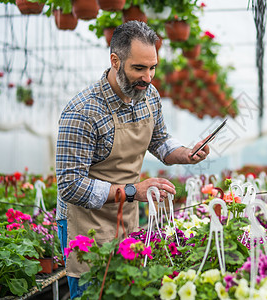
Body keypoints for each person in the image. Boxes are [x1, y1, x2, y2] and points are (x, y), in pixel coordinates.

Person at [55, 21, 210, 299]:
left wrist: (186, 153)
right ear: (115, 61)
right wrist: (131, 191)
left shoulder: (148, 96)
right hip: (86, 225)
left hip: (126, 215)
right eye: (139, 68)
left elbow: (160, 140)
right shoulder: (83, 112)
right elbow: (70, 185)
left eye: (153, 68)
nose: (148, 77)